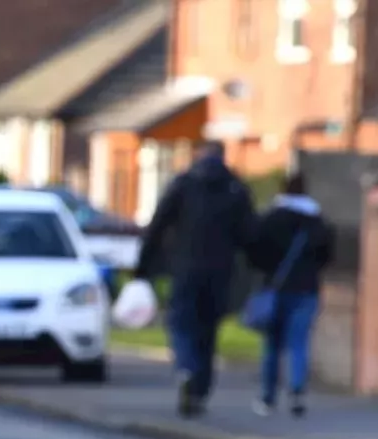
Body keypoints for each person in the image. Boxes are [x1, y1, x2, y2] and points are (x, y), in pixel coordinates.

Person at [132, 141, 256, 418]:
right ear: (223, 157)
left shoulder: (184, 184)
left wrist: (143, 268)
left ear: (199, 155)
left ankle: (186, 369)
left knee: (181, 323)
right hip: (220, 272)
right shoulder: (235, 188)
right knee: (207, 331)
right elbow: (250, 235)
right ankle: (199, 390)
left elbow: (158, 224)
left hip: (186, 268)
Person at [245, 173, 334, 417]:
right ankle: (296, 393)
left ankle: (268, 397)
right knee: (299, 343)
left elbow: (254, 252)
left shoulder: (271, 219)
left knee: (272, 346)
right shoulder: (318, 222)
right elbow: (327, 257)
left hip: (275, 289)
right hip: (307, 289)